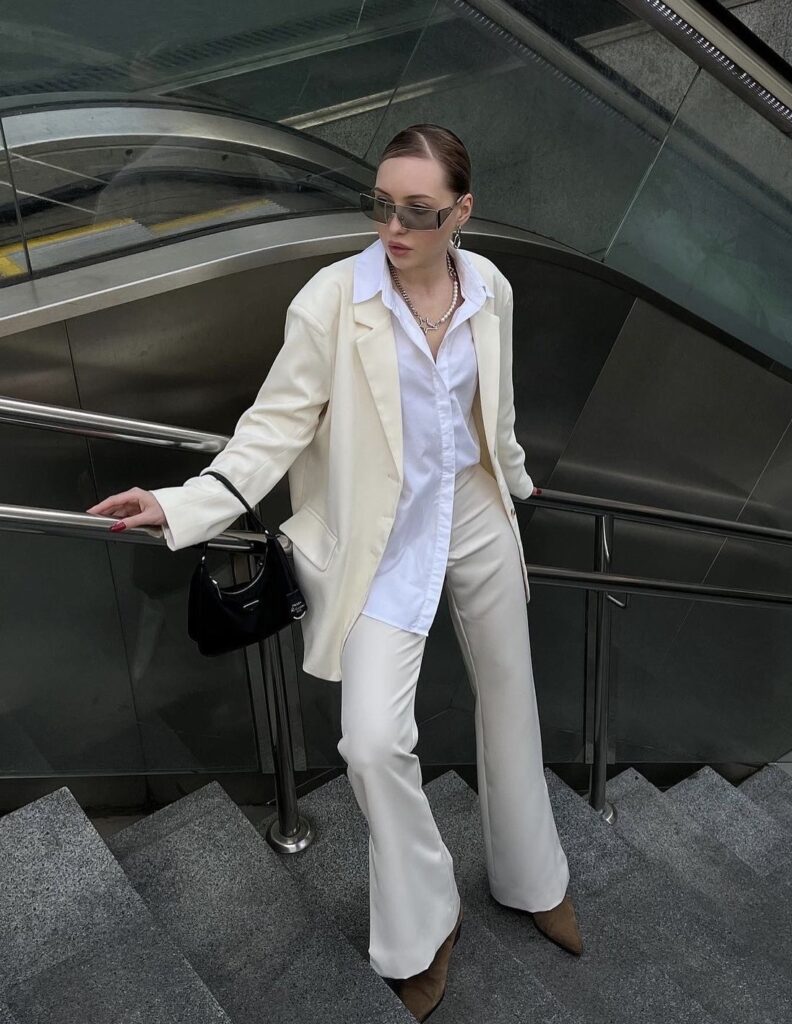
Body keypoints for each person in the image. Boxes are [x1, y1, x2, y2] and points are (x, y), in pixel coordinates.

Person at [86, 123, 582, 1022]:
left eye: (418, 212)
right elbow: (273, 427)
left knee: (511, 699)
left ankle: (531, 876)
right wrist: (187, 504)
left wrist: (511, 476)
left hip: (474, 517)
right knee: (370, 743)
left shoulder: (491, 288)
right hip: (379, 542)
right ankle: (427, 922)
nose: (393, 228)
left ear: (461, 212)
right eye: (382, 206)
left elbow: (492, 406)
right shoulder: (332, 300)